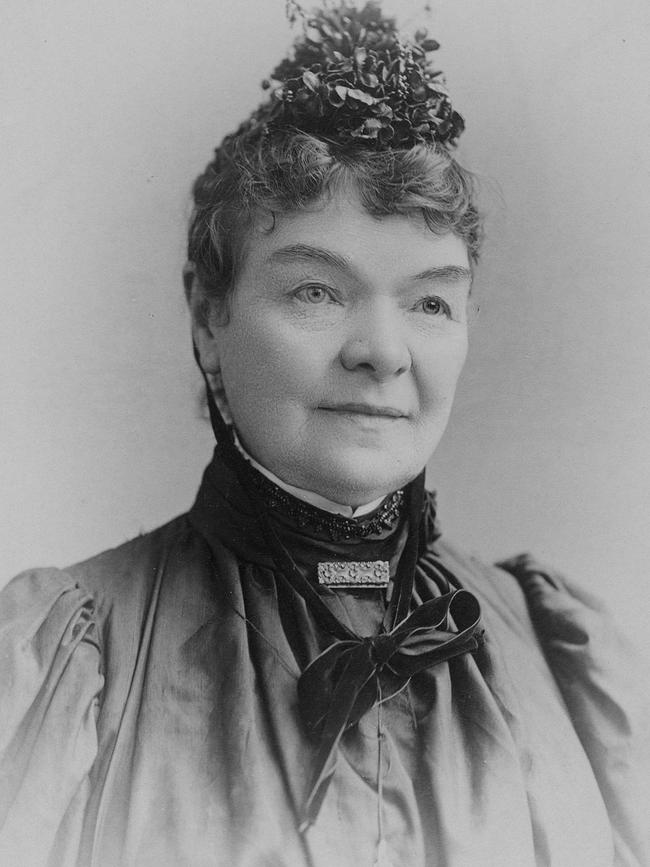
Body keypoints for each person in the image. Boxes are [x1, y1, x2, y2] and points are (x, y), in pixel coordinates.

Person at [0, 3, 647, 866]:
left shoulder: (560, 654)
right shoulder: (74, 661)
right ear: (208, 318)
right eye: (317, 291)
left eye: (429, 301)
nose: (383, 353)